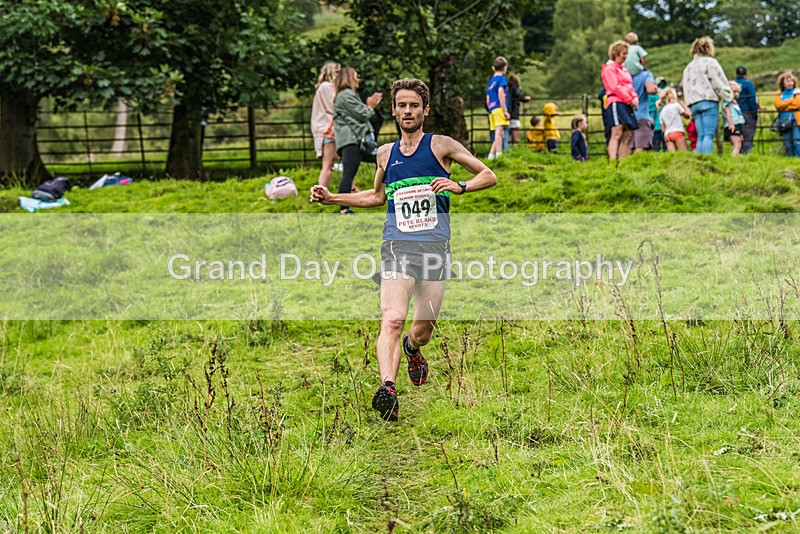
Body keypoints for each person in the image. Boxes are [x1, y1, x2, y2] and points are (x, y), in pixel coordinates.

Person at [310, 78, 497, 421]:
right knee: (393, 319)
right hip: (396, 246)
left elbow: (489, 175)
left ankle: (413, 350)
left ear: (424, 110)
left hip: (435, 249)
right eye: (401, 106)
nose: (407, 111)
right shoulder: (385, 153)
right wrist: (333, 197)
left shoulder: (441, 145)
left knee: (422, 329)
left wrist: (460, 185)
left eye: (414, 105)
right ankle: (388, 389)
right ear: (394, 111)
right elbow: (376, 196)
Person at [332, 67, 382, 213]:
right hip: (351, 141)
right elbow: (363, 114)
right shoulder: (346, 95)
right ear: (349, 78)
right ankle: (344, 209)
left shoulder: (346, 95)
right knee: (348, 173)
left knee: (381, 159)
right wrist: (371, 106)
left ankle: (383, 192)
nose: (358, 78)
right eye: (356, 75)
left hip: (355, 141)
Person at [680, 36, 733, 154]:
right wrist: (728, 95)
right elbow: (718, 81)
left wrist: (689, 104)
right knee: (708, 134)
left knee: (701, 134)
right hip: (708, 101)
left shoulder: (688, 67)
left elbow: (686, 86)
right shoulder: (710, 63)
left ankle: (700, 159)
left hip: (694, 103)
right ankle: (707, 158)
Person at [601, 40, 639, 161]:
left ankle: (623, 160)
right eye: (624, 53)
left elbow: (630, 86)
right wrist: (629, 99)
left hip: (627, 102)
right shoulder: (609, 68)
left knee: (628, 132)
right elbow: (614, 86)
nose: (625, 56)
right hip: (616, 102)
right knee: (617, 131)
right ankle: (613, 159)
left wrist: (635, 97)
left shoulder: (624, 70)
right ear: (616, 53)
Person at [311, 61, 340, 188]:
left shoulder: (323, 88)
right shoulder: (327, 87)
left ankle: (352, 187)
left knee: (332, 162)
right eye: (337, 72)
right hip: (328, 129)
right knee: (327, 164)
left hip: (327, 129)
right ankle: (321, 192)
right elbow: (334, 107)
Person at [486, 56, 510, 160]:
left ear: (493, 68)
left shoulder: (491, 81)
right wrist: (505, 110)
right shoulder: (501, 79)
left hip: (491, 109)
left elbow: (487, 99)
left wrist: (490, 109)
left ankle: (490, 156)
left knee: (499, 133)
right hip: (499, 107)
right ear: (505, 67)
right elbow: (501, 93)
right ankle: (499, 155)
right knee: (499, 133)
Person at [773, 71, 800, 157]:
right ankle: (789, 159)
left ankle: (797, 159)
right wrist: (790, 103)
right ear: (783, 83)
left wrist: (784, 106)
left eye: (791, 81)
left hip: (796, 120)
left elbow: (797, 103)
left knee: (797, 141)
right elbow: (778, 105)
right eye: (787, 81)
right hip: (783, 120)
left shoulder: (797, 92)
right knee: (787, 143)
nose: (790, 83)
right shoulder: (779, 94)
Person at [631, 67, 658, 152]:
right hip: (642, 116)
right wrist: (655, 87)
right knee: (641, 146)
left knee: (630, 146)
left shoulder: (625, 74)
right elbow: (651, 89)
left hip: (627, 116)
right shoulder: (646, 74)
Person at [734, 66, 760, 154]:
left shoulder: (732, 84)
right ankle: (746, 153)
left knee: (737, 134)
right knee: (748, 134)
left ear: (736, 74)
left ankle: (737, 152)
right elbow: (752, 99)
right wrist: (754, 113)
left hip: (734, 113)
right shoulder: (749, 84)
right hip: (747, 112)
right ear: (746, 74)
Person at [722, 81, 745, 156]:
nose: (736, 94)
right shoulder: (727, 101)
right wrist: (730, 124)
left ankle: (735, 159)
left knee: (738, 144)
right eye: (734, 91)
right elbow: (727, 112)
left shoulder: (734, 102)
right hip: (733, 124)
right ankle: (733, 158)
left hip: (738, 124)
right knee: (737, 145)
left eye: (737, 92)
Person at [507, 74, 531, 147]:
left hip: (506, 114)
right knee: (515, 131)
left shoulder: (506, 88)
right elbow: (519, 96)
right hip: (514, 114)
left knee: (508, 133)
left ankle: (507, 149)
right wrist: (526, 98)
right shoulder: (514, 88)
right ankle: (515, 147)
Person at [650, 77, 668, 152]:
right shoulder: (664, 98)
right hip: (663, 126)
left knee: (655, 148)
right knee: (665, 147)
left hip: (655, 126)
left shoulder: (650, 97)